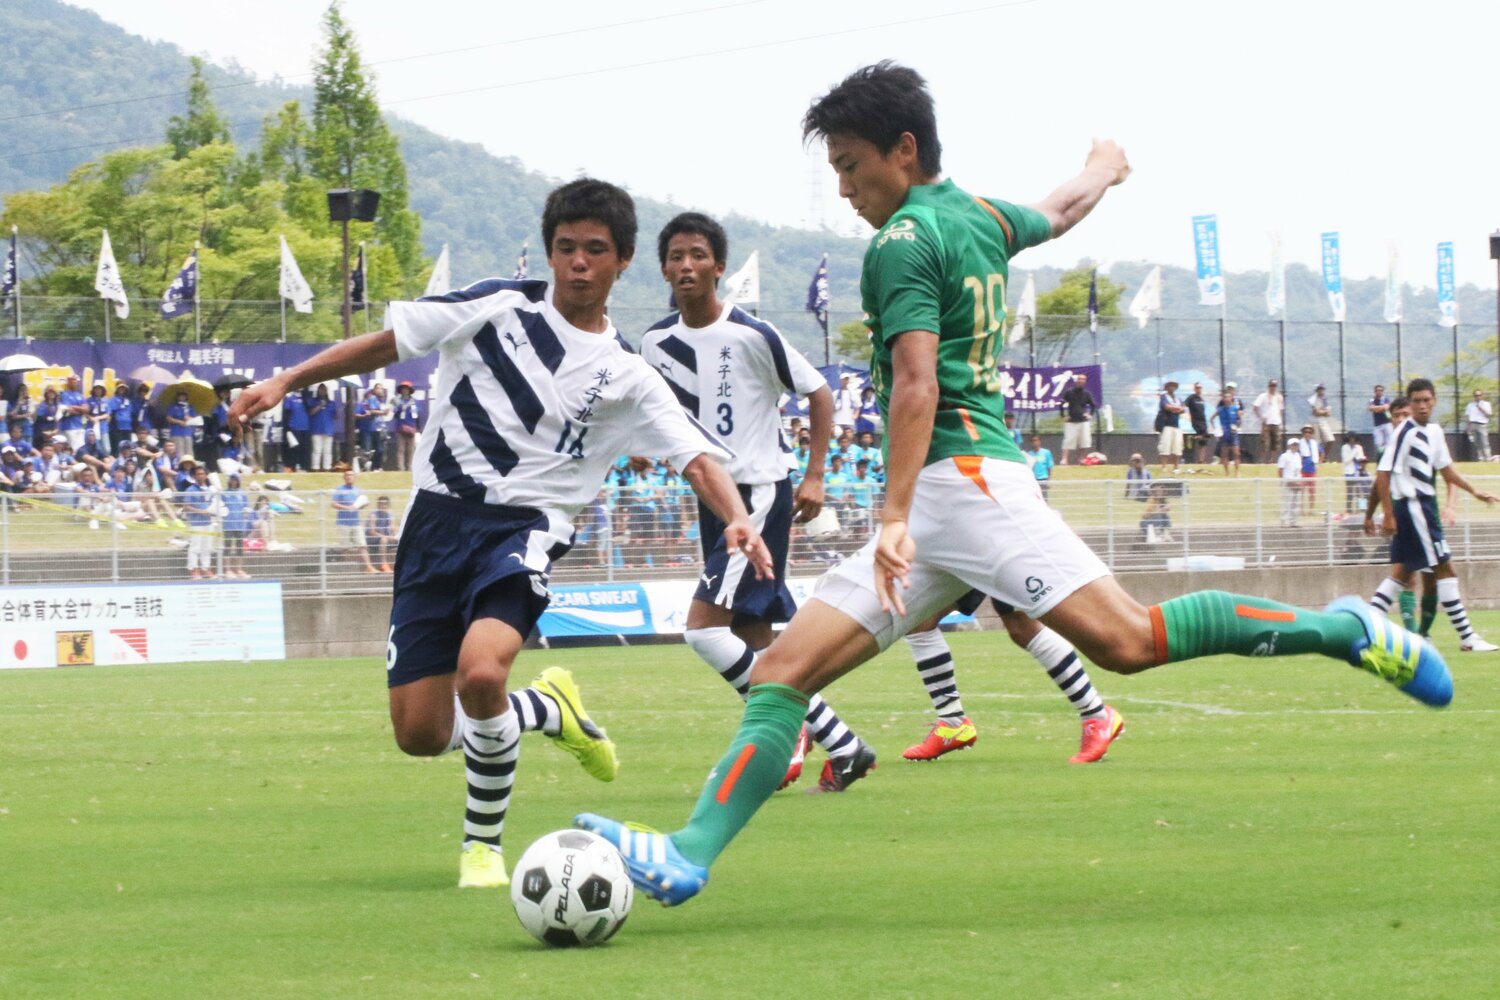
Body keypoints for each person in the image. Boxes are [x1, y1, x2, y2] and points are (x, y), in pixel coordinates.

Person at [575, 62, 1451, 908]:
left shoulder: (902, 243)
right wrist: (1102, 169)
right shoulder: (982, 217)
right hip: (949, 497)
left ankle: (1347, 630)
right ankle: (690, 853)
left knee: (1130, 642)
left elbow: (917, 383)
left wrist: (893, 516)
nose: (844, 190)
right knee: (780, 676)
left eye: (850, 166)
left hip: (964, 485)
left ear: (903, 150)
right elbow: (1059, 210)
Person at [228, 177, 774, 891]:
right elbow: (388, 344)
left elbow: (695, 457)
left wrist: (735, 516)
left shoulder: (628, 375)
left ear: (624, 260)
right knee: (419, 733)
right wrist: (287, 381)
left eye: (595, 250)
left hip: (527, 527)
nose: (578, 262)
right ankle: (548, 709)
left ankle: (481, 848)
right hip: (435, 520)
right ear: (551, 253)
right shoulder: (495, 305)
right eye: (566, 248)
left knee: (482, 672)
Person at [641, 211, 874, 791]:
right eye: (675, 256)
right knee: (750, 632)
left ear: (718, 267)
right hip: (711, 497)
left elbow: (819, 392)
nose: (686, 265)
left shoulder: (753, 334)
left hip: (760, 494)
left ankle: (834, 739)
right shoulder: (655, 342)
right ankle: (804, 747)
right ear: (664, 268)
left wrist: (816, 475)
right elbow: (656, 411)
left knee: (702, 630)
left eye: (697, 255)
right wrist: (641, 445)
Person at [1365, 378, 1499, 652]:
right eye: (1417, 401)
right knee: (1444, 568)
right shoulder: (1404, 431)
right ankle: (1467, 637)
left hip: (1424, 508)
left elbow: (1446, 470)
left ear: (1435, 401)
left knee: (1402, 572)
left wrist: (1474, 491)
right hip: (1414, 507)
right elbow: (1382, 473)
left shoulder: (1435, 432)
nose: (1422, 406)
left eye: (1427, 400)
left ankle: (1368, 625)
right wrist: (1387, 514)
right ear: (1410, 404)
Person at [330, 468, 378, 573]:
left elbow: (364, 502)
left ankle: (368, 567)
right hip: (343, 522)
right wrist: (347, 508)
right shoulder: (340, 489)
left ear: (355, 477)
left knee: (362, 545)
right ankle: (348, 569)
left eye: (351, 475)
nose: (349, 477)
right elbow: (333, 504)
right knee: (345, 546)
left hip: (356, 522)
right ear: (344, 478)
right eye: (347, 475)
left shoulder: (358, 490)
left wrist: (361, 505)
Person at [179, 462, 217, 579]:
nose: (201, 476)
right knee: (195, 546)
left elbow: (215, 503)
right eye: (198, 474)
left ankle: (205, 568)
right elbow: (186, 506)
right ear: (194, 476)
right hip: (196, 523)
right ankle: (194, 569)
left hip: (208, 522)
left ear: (206, 475)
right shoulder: (190, 490)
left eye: (203, 474)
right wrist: (200, 511)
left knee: (207, 546)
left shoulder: (210, 489)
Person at [1058, 372, 1095, 465]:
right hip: (1071, 421)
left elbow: (1093, 405)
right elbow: (1061, 404)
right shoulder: (1069, 392)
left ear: (1085, 382)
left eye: (1083, 380)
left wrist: (1090, 414)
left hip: (1083, 421)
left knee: (1084, 441)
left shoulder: (1087, 394)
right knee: (1068, 441)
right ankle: (1064, 459)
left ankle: (1081, 459)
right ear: (1076, 380)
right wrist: (1063, 416)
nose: (1080, 381)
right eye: (1079, 379)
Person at [220, 473, 251, 578]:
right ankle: (227, 570)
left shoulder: (242, 493)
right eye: (232, 479)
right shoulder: (224, 493)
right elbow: (220, 506)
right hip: (228, 524)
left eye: (235, 480)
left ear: (238, 481)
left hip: (240, 524)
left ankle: (239, 569)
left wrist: (246, 514)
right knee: (227, 547)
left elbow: (246, 507)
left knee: (240, 547)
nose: (233, 481)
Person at [356, 385, 389, 471]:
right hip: (366, 429)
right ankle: (368, 467)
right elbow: (371, 411)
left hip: (378, 427)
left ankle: (376, 466)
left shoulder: (379, 401)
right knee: (367, 450)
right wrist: (382, 412)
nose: (370, 395)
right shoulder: (366, 402)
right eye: (369, 393)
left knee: (379, 449)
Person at [391, 381, 421, 471]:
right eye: (403, 389)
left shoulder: (414, 402)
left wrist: (417, 427)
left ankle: (410, 467)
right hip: (400, 427)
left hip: (411, 427)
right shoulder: (397, 400)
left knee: (411, 449)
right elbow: (394, 413)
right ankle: (401, 467)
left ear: (409, 390)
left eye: (406, 389)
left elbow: (417, 415)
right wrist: (400, 408)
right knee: (401, 449)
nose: (405, 390)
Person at [1155, 379, 1184, 472]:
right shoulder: (1164, 397)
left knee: (1177, 447)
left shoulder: (1178, 398)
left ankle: (1176, 467)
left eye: (1173, 386)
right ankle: (1164, 466)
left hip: (1176, 426)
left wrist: (1175, 408)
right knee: (1165, 447)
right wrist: (1176, 408)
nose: (1172, 387)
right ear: (1167, 387)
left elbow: (1183, 409)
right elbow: (1166, 406)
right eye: (1170, 385)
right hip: (1166, 425)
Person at [1252, 378, 1284, 463]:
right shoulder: (1263, 396)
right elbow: (1255, 408)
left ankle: (1272, 460)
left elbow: (1280, 409)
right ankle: (1262, 460)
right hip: (1266, 422)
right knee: (1265, 442)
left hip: (1276, 422)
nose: (1273, 387)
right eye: (1271, 385)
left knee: (1275, 443)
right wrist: (1261, 417)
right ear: (1269, 386)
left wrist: (1280, 421)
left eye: (1275, 386)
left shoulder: (1279, 397)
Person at [1214, 387, 1242, 476]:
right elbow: (1211, 418)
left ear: (1231, 398)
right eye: (1225, 397)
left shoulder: (1235, 408)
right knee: (1224, 454)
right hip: (1224, 433)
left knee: (1236, 453)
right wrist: (1216, 428)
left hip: (1233, 433)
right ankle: (1227, 472)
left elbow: (1240, 419)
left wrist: (1237, 427)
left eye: (1228, 397)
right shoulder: (1220, 409)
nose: (1226, 399)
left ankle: (1236, 472)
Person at [308, 383, 335, 472]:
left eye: (324, 389)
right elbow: (311, 413)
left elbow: (335, 415)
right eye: (320, 389)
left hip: (328, 429)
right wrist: (320, 406)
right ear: (318, 391)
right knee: (317, 450)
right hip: (316, 429)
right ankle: (315, 468)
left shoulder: (331, 403)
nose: (322, 391)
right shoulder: (313, 401)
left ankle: (327, 468)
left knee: (327, 451)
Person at [366, 494, 397, 572]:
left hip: (385, 537)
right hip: (371, 539)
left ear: (388, 505)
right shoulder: (373, 515)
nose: (383, 506)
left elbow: (393, 527)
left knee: (402, 539)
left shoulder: (390, 515)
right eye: (381, 504)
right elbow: (372, 532)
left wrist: (394, 535)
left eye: (385, 504)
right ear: (378, 505)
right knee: (384, 539)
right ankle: (383, 564)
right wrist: (387, 537)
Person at [1340, 430, 1368, 515]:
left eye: (1354, 438)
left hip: (1358, 472)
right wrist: (1353, 453)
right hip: (1349, 472)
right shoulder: (1345, 447)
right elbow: (1346, 461)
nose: (1352, 440)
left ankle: (1362, 509)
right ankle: (1349, 510)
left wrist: (1362, 461)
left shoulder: (1359, 447)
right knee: (1350, 492)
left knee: (1360, 492)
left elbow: (1361, 458)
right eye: (1350, 438)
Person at [282, 387, 309, 471]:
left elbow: (309, 408)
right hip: (294, 427)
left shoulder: (305, 397)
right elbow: (286, 412)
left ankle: (303, 466)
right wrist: (287, 428)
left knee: (304, 448)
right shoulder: (290, 397)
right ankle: (294, 466)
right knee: (295, 448)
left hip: (305, 427)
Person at [1296, 423, 1321, 513]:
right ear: (1303, 433)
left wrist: (1319, 463)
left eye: (1310, 432)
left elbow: (1321, 452)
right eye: (1306, 432)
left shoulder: (1314, 443)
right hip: (1303, 469)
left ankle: (1311, 510)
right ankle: (1301, 509)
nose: (1308, 433)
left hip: (1312, 469)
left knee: (1312, 491)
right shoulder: (1299, 443)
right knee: (1302, 491)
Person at [1276, 438, 1302, 527]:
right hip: (1288, 482)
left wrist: (1300, 482)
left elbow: (1298, 470)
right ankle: (1285, 521)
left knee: (1296, 503)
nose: (1295, 446)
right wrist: (1284, 481)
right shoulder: (1284, 456)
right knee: (1287, 503)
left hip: (1297, 481)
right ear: (1289, 445)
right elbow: (1280, 470)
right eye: (1293, 444)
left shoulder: (1298, 456)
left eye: (1296, 445)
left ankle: (1293, 521)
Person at [1183, 381, 1210, 466]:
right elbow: (1184, 405)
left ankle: (1201, 460)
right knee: (1205, 436)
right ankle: (1192, 438)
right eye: (1197, 388)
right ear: (1194, 389)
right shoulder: (1191, 398)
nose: (1199, 389)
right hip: (1196, 421)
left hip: (1203, 421)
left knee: (1204, 441)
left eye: (1200, 388)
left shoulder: (1201, 399)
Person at [1307, 384, 1336, 462]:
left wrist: (1321, 412)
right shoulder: (1312, 399)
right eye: (1319, 389)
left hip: (1323, 421)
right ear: (1316, 391)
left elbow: (1329, 413)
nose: (1321, 391)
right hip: (1314, 422)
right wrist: (1323, 412)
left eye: (1322, 389)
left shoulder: (1325, 399)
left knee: (1330, 439)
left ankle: (1324, 457)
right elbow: (1315, 412)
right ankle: (1318, 459)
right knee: (1316, 443)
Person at [58, 375, 88, 451]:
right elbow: (68, 409)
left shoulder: (80, 395)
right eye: (71, 380)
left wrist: (76, 407)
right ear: (68, 382)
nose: (74, 382)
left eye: (75, 380)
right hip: (68, 426)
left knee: (80, 448)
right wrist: (81, 411)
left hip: (79, 425)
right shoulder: (64, 395)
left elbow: (87, 409)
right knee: (72, 449)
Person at [166, 391, 197, 461]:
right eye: (180, 396)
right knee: (179, 452)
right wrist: (179, 422)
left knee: (189, 452)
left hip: (188, 432)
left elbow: (195, 419)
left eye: (184, 396)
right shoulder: (173, 406)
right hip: (176, 432)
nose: (182, 397)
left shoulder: (190, 407)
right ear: (177, 397)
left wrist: (189, 418)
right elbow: (168, 418)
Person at [1023, 432, 1053, 501]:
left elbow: (1050, 467)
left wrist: (1049, 480)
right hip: (1034, 480)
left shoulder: (1046, 453)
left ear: (1040, 441)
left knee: (1045, 499)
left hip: (1043, 479)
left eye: (1036, 440)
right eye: (1033, 441)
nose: (1035, 443)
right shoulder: (1029, 454)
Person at [1464, 388, 1492, 462]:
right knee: (1476, 442)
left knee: (1484, 441)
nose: (1477, 397)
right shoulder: (1470, 405)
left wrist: (1481, 409)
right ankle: (1480, 458)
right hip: (1473, 424)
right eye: (1476, 395)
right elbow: (1467, 416)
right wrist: (1468, 426)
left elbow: (1488, 415)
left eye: (1479, 395)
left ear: (1482, 396)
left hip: (1482, 424)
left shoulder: (1486, 404)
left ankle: (1488, 457)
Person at [107, 383, 134, 454]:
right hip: (118, 426)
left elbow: (131, 411)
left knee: (128, 446)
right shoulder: (113, 399)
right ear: (117, 389)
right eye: (120, 388)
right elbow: (111, 411)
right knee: (118, 446)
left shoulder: (128, 400)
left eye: (123, 389)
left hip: (128, 426)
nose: (122, 390)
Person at [1368, 384, 1393, 454]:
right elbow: (1371, 408)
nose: (1379, 392)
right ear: (1375, 391)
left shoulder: (1386, 399)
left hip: (1387, 423)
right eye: (1377, 390)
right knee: (1378, 444)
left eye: (1381, 390)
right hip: (1377, 425)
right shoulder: (1372, 399)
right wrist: (1381, 408)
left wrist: (1377, 408)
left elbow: (1387, 407)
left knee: (1389, 442)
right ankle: (1380, 458)